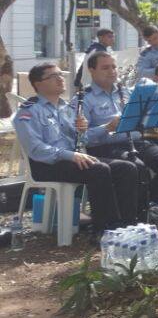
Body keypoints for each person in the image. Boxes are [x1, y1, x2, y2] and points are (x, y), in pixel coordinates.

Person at [15, 64, 140, 233]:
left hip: (74, 159)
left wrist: (104, 128)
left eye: (60, 74)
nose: (60, 78)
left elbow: (84, 139)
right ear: (38, 84)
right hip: (47, 164)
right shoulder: (29, 112)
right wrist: (70, 155)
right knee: (99, 170)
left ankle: (127, 224)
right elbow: (36, 149)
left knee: (126, 167)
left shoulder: (66, 108)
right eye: (53, 76)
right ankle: (104, 228)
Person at [80, 52, 158, 211]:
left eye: (114, 67)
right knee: (138, 167)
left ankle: (150, 207)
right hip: (105, 148)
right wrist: (106, 127)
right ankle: (136, 213)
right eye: (105, 68)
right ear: (92, 70)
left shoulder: (126, 91)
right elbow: (81, 137)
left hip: (136, 142)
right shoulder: (84, 98)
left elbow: (154, 113)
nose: (112, 71)